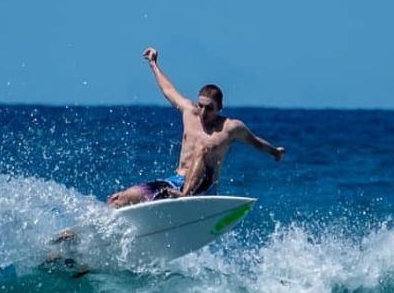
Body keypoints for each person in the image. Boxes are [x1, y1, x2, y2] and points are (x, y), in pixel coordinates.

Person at [107, 47, 285, 208]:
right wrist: (153, 64)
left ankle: (184, 196)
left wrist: (275, 152)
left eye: (209, 108)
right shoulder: (189, 112)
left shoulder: (230, 127)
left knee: (202, 147)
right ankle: (96, 230)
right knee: (119, 199)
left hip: (204, 188)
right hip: (175, 182)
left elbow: (255, 142)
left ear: (219, 108)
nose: (203, 111)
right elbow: (168, 90)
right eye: (201, 105)